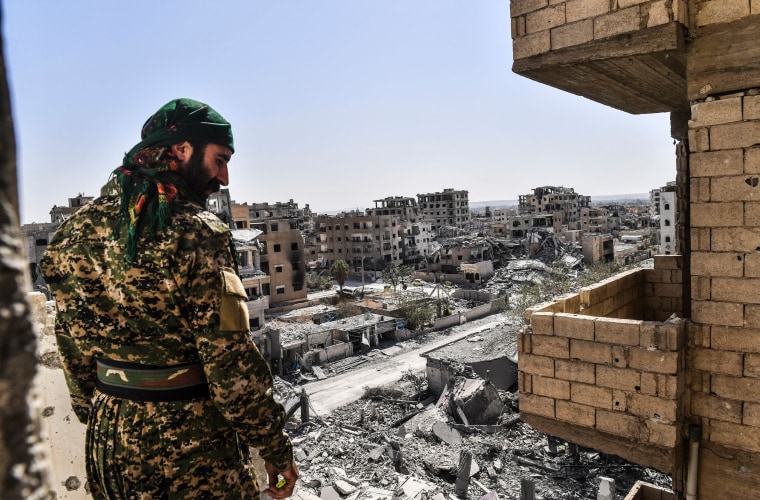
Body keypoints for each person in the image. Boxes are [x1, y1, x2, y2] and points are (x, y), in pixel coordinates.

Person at [40, 98, 299, 499]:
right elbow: (228, 363)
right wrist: (274, 447)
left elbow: (72, 348)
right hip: (189, 443)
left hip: (109, 438)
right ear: (180, 150)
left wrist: (109, 417)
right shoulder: (197, 232)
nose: (225, 177)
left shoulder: (70, 235)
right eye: (220, 159)